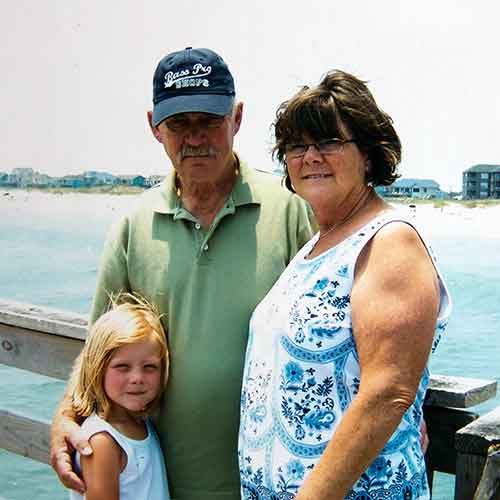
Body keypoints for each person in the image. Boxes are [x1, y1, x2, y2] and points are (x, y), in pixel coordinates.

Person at [50, 47, 314, 500]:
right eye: (179, 124)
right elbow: (98, 350)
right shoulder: (133, 227)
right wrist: (64, 417)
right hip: (162, 482)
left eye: (209, 121)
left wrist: (404, 409)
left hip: (275, 482)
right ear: (155, 126)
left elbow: (345, 326)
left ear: (237, 117)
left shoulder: (293, 212)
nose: (195, 138)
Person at [238, 70, 452, 499]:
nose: (310, 156)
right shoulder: (317, 244)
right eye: (297, 146)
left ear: (369, 155)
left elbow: (388, 391)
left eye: (329, 142)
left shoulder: (390, 239)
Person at [69, 295, 170, 500]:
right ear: (98, 369)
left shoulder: (140, 422)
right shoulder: (102, 442)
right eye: (122, 367)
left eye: (149, 367)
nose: (137, 378)